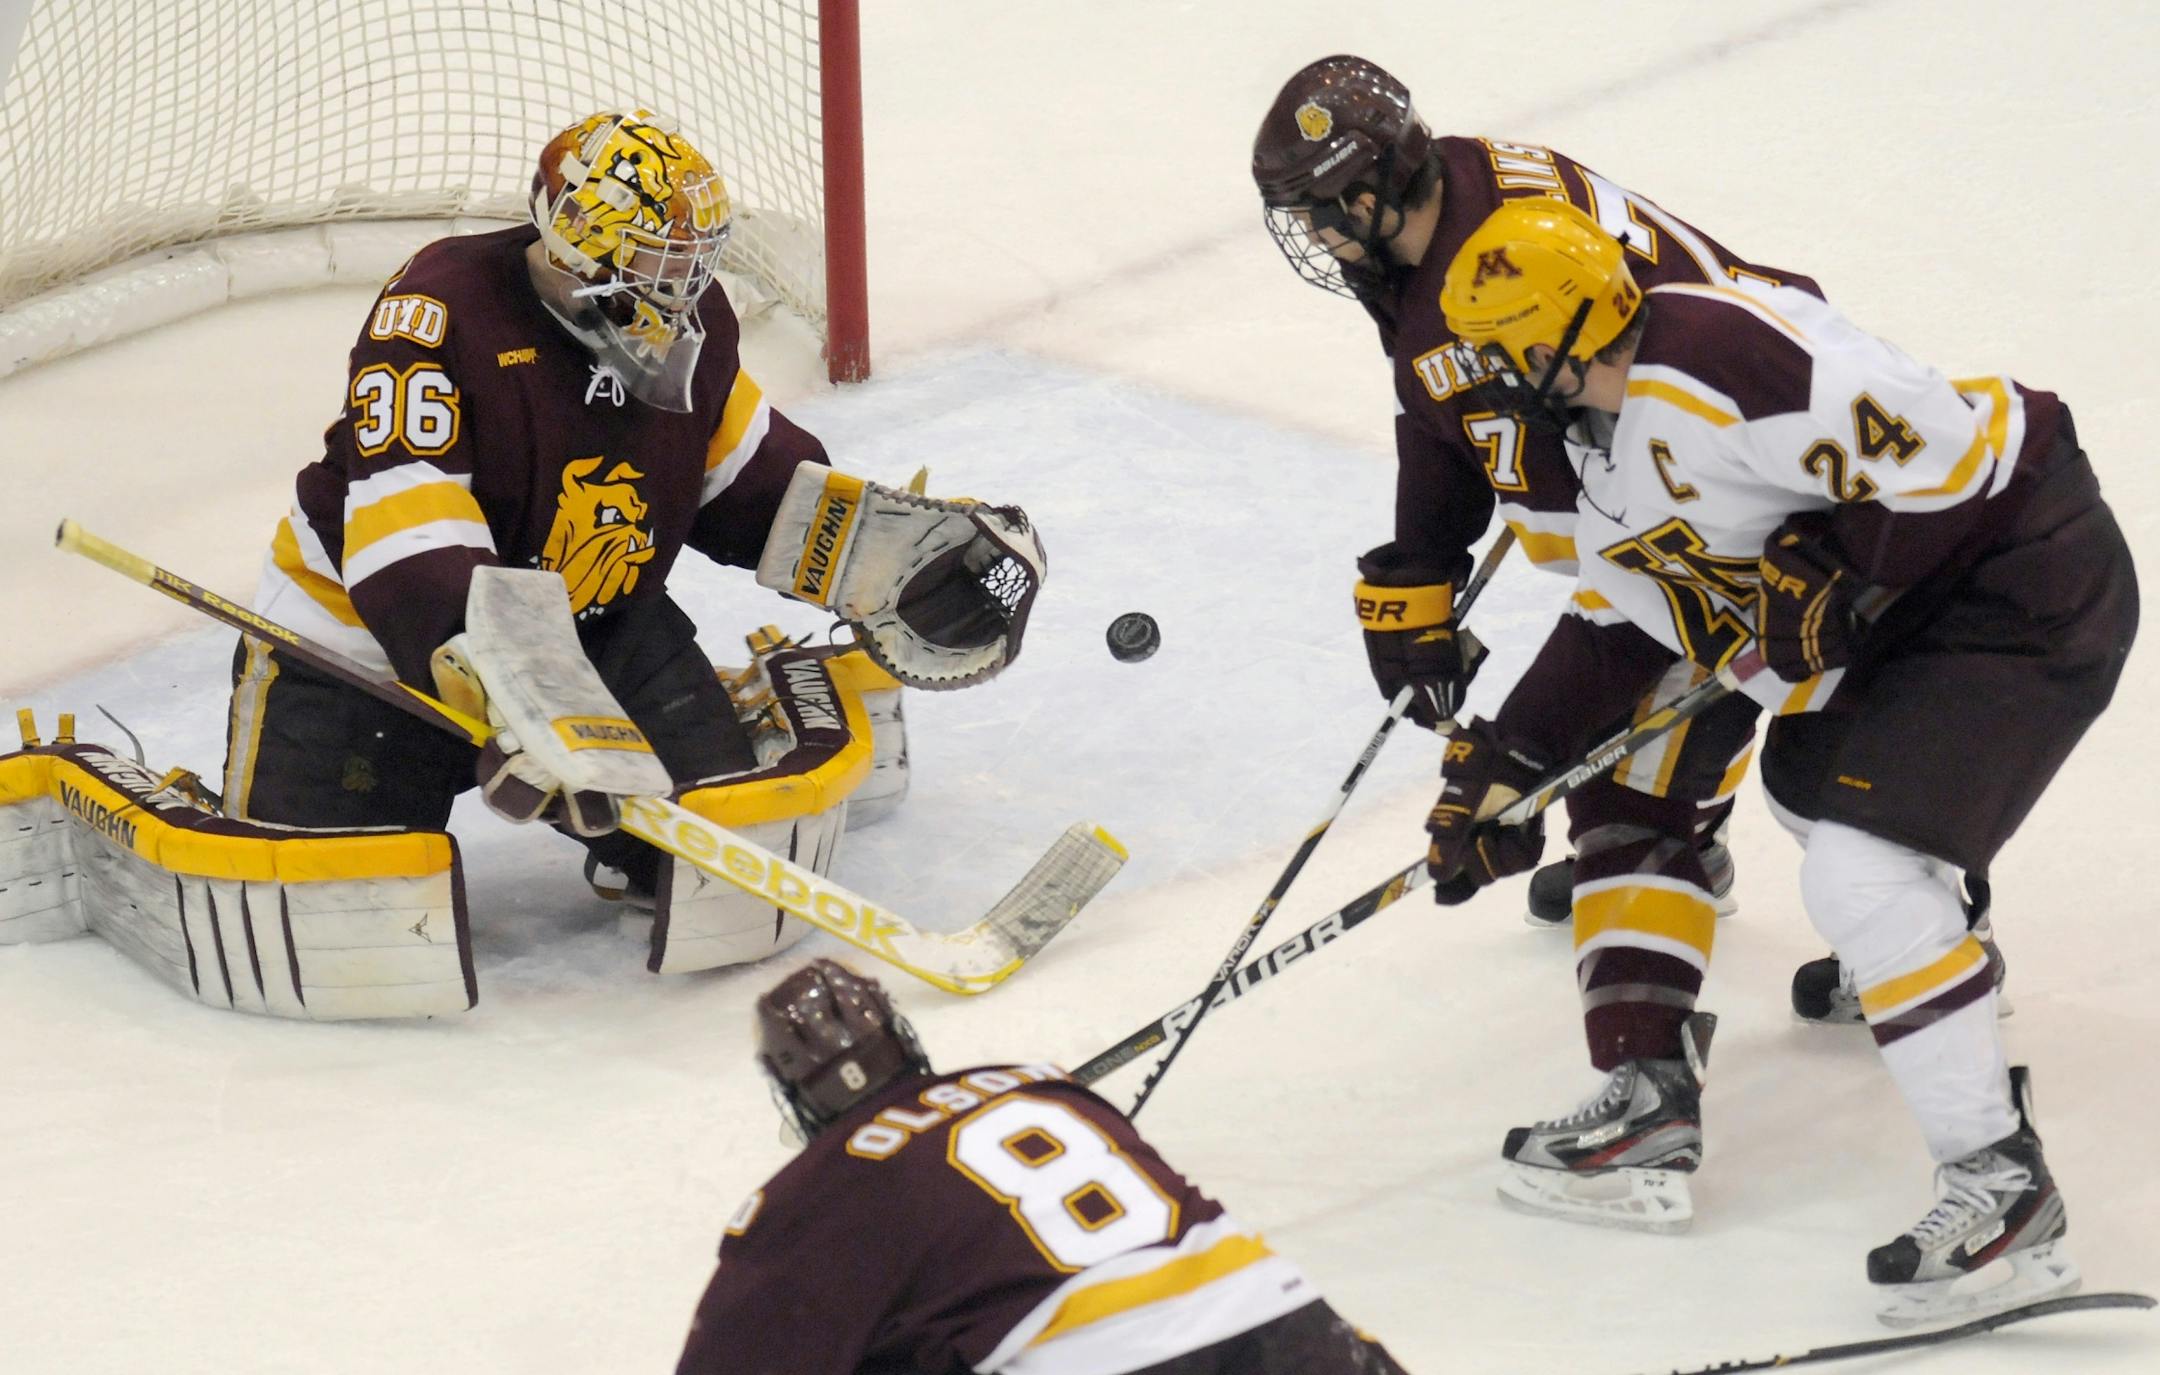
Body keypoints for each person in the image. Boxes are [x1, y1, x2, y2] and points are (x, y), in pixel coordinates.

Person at [1430, 196, 2134, 1321]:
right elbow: (1620, 625)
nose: (1489, 378)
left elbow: (1971, 454)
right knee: (1812, 797)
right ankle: (1931, 963)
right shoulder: (1598, 445)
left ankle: (2005, 1191)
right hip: (1918, 613)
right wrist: (1509, 762)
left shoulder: (1722, 358)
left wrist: (1841, 558)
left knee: (1857, 869)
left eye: (1503, 350)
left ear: (1563, 336)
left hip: (2023, 579)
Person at [221, 109, 1041, 962]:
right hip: (368, 657)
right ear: (582, 247)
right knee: (324, 912)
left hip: (595, 625)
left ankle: (727, 720)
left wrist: (905, 558)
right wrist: (525, 707)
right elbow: (410, 558)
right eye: (659, 260)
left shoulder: (689, 327)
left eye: (693, 262)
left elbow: (753, 487)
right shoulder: (438, 317)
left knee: (716, 856)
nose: (683, 288)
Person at [1250, 56, 1893, 1116]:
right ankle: (1787, 883)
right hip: (1752, 438)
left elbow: (1614, 569)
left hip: (1752, 506)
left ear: (1367, 193)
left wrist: (1523, 748)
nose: (1315, 240)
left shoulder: (1460, 310)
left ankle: (1652, 1094)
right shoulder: (1460, 199)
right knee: (1666, 727)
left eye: (1320, 214)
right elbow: (1444, 421)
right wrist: (1420, 567)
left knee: (1630, 778)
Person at [675, 959, 1410, 1374]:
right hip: (1295, 1335)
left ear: (791, 1090)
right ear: (904, 1038)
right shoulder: (1043, 1082)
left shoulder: (813, 1191)